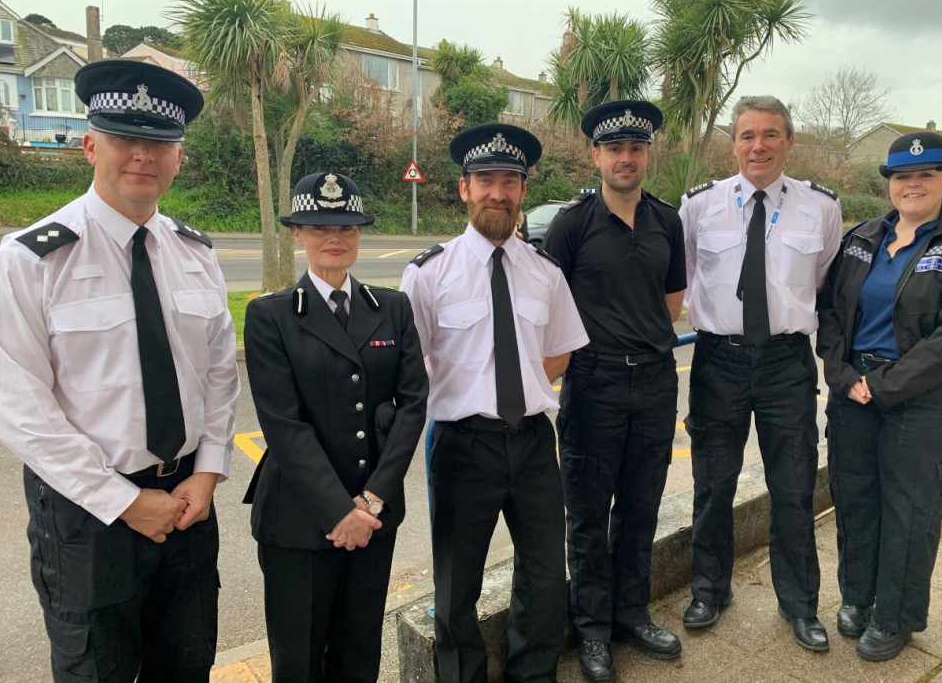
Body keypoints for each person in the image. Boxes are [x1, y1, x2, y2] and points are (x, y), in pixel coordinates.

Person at [0, 59, 240, 682]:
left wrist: (208, 471)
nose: (142, 156)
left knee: (185, 666)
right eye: (126, 138)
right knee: (95, 671)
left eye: (159, 143)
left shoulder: (196, 255)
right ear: (90, 144)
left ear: (178, 156)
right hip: (87, 515)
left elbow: (217, 376)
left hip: (186, 503)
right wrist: (123, 502)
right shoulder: (29, 261)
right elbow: (19, 407)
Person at [401, 124, 589, 683]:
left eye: (510, 182)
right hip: (464, 444)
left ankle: (533, 674)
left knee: (545, 577)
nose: (498, 193)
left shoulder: (546, 273)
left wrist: (522, 386)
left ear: (523, 192)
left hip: (532, 442)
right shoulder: (428, 273)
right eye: (486, 181)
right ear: (464, 189)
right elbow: (415, 365)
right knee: (457, 585)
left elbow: (557, 355)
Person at [242, 172, 428, 682]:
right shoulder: (270, 316)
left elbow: (412, 406)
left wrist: (371, 502)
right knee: (299, 659)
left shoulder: (392, 308)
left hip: (373, 514)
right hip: (299, 520)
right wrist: (338, 510)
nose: (334, 237)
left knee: (359, 650)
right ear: (297, 234)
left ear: (359, 233)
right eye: (319, 225)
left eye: (346, 226)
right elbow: (284, 425)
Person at [678, 95, 842, 653]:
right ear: (733, 143)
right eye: (748, 135)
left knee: (794, 487)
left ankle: (799, 604)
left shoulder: (820, 208)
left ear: (790, 142)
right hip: (717, 359)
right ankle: (709, 589)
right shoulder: (699, 206)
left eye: (771, 135)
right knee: (713, 484)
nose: (759, 146)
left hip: (785, 362)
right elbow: (685, 276)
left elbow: (823, 281)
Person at [817, 132, 942, 661]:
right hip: (855, 394)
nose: (912, 184)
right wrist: (842, 375)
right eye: (902, 177)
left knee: (912, 512)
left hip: (929, 401)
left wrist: (883, 386)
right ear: (889, 183)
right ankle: (858, 597)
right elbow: (830, 312)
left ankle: (895, 617)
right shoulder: (861, 237)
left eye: (926, 176)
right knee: (857, 501)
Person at [543, 100, 685, 682]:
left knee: (640, 505)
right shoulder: (572, 224)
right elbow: (548, 308)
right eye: (614, 149)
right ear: (596, 155)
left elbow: (672, 303)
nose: (625, 158)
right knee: (587, 513)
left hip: (654, 379)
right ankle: (592, 630)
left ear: (647, 154)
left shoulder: (666, 221)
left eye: (636, 148)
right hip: (593, 380)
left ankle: (632, 613)